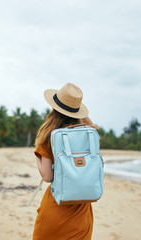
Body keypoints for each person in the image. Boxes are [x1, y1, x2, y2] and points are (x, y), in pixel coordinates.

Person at [33, 83, 95, 240]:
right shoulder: (88, 134)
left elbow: (47, 176)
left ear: (54, 108)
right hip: (81, 209)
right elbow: (91, 124)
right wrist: (76, 107)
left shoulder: (49, 136)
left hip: (57, 204)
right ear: (77, 111)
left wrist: (38, 157)